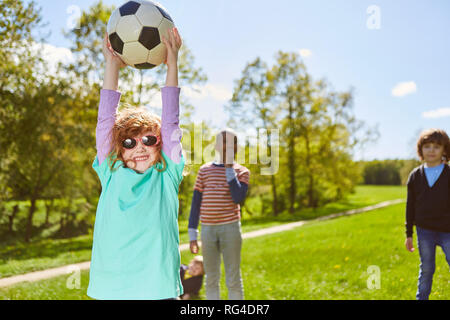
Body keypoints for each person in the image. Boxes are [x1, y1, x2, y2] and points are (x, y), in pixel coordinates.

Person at [87, 27, 185, 300]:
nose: (138, 148)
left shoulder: (166, 174)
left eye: (149, 140)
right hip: (112, 290)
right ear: (119, 149)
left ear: (161, 143)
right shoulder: (111, 171)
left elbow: (171, 120)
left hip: (158, 289)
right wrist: (111, 64)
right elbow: (105, 120)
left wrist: (173, 62)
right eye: (129, 143)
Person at [188, 129, 250, 300]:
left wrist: (229, 170)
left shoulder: (242, 171)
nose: (228, 146)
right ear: (216, 146)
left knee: (233, 278)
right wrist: (193, 234)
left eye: (232, 142)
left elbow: (238, 197)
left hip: (230, 228)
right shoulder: (204, 170)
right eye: (224, 142)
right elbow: (196, 204)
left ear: (236, 147)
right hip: (208, 229)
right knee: (211, 278)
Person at [405, 128, 450, 300]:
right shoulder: (415, 176)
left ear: (445, 150)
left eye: (437, 147)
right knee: (427, 268)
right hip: (425, 231)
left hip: (448, 230)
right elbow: (410, 206)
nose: (431, 150)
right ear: (421, 150)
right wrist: (408, 234)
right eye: (427, 146)